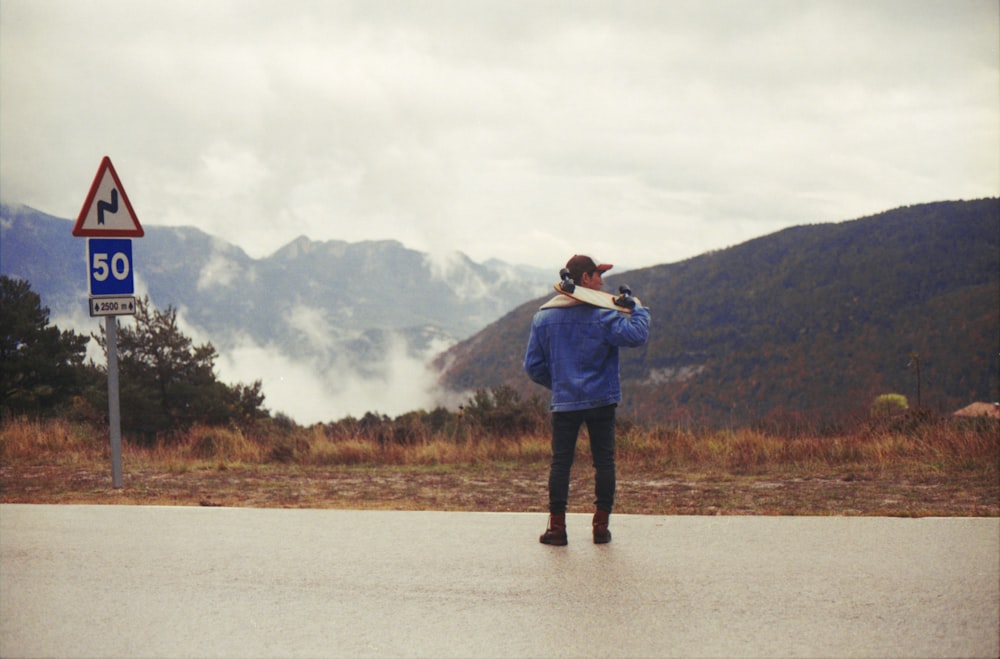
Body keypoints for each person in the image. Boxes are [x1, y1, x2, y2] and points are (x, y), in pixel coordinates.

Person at [523, 254, 651, 545]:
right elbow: (638, 335)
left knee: (561, 464)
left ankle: (557, 529)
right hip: (601, 400)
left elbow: (532, 367)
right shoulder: (604, 316)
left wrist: (559, 384)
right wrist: (639, 309)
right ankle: (600, 528)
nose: (602, 281)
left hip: (566, 401)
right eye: (597, 275)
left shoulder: (543, 318)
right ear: (584, 280)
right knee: (604, 463)